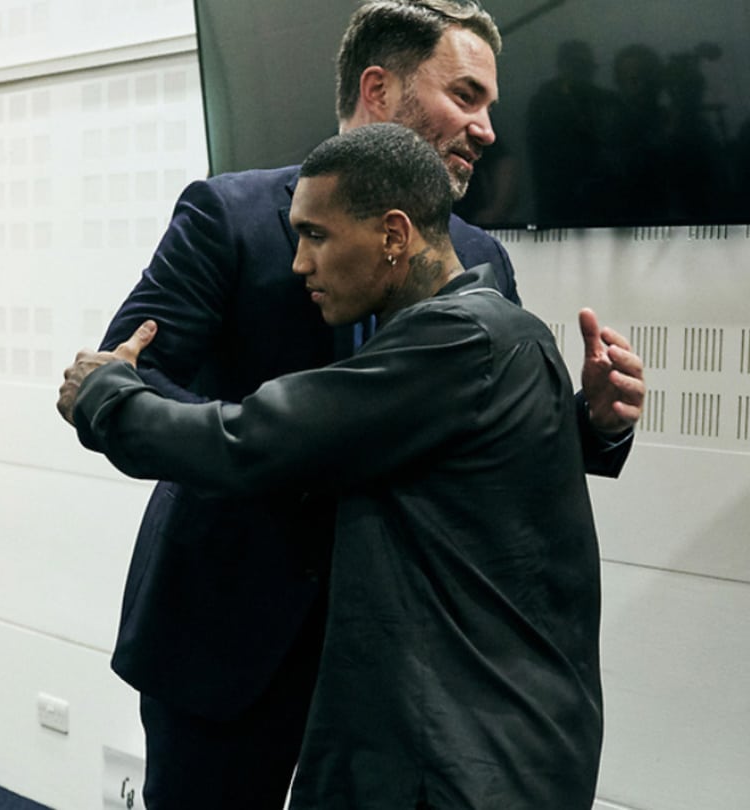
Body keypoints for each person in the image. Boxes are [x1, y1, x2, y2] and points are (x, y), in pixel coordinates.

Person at [93, 2, 645, 807]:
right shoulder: (228, 216)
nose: (486, 129)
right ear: (379, 89)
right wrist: (271, 447)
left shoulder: (479, 255)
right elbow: (129, 372)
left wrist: (593, 422)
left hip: (397, 664)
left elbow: (492, 424)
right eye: (465, 95)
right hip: (229, 631)